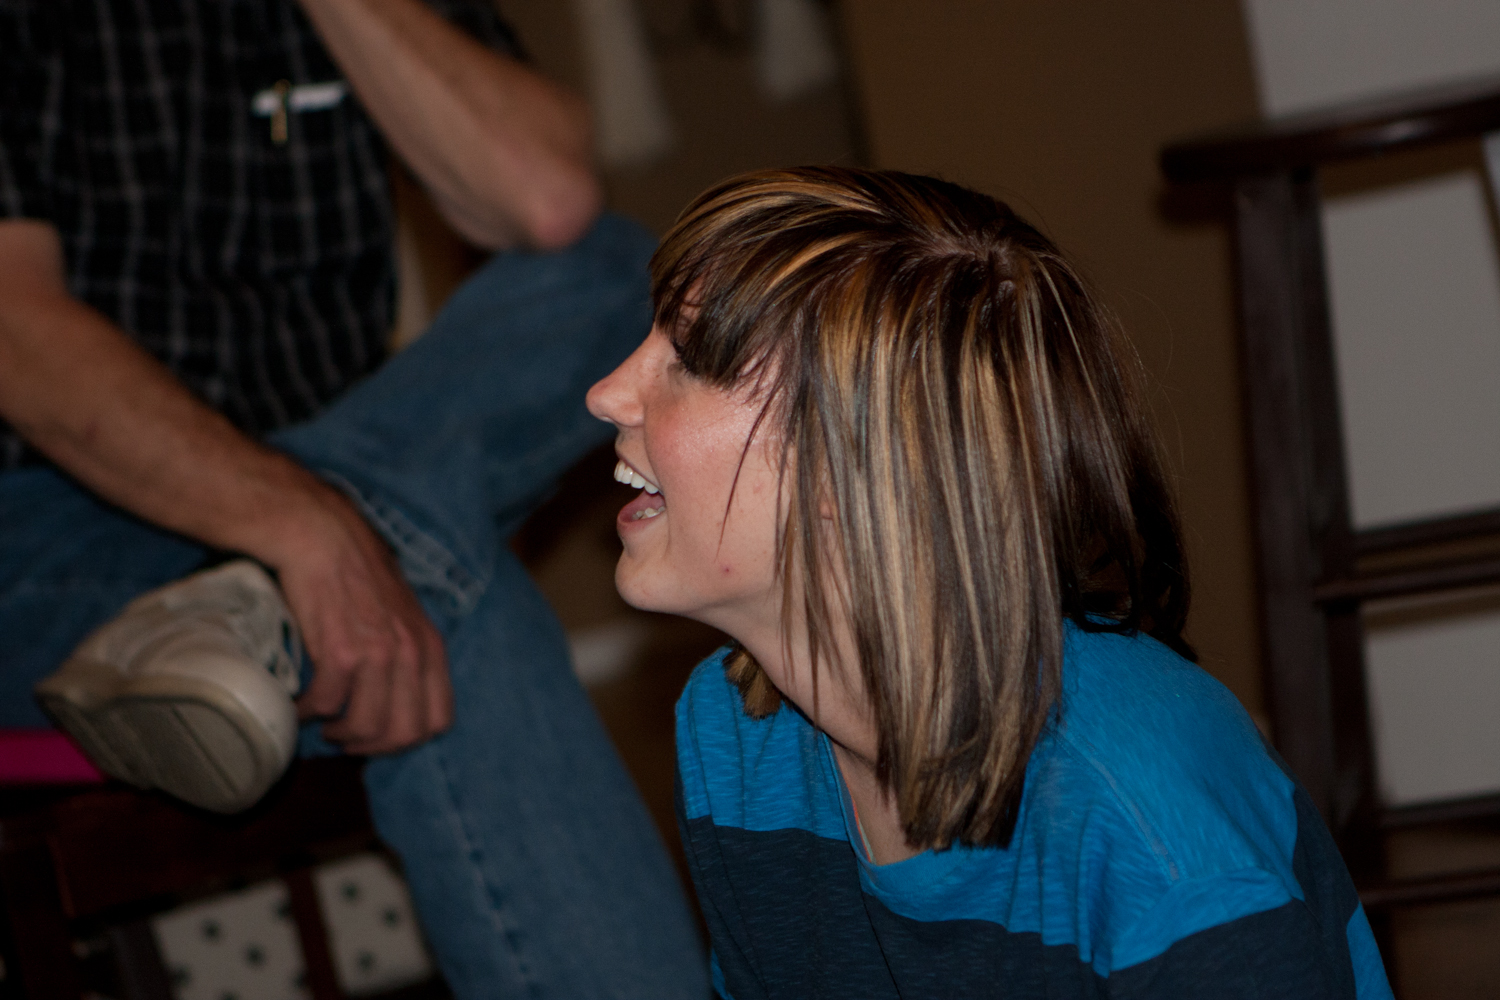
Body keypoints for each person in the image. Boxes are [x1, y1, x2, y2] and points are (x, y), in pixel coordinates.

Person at [0, 0, 707, 996]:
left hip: (346, 487)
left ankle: (278, 585)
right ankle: (337, 550)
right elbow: (15, 336)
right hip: (42, 534)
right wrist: (302, 527)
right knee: (443, 603)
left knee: (614, 271)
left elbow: (548, 201)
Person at [585, 166, 1395, 999]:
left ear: (853, 462)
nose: (605, 393)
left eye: (688, 360)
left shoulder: (1154, 845)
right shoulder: (734, 745)